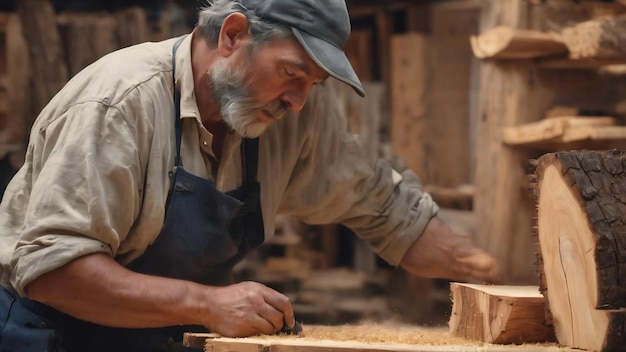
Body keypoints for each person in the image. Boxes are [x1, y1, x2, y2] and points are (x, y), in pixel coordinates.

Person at [0, 0, 499, 351]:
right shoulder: (119, 102)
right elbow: (53, 272)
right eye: (292, 73)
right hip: (52, 332)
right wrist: (207, 304)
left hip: (163, 335)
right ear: (233, 35)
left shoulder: (292, 116)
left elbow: (386, 207)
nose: (298, 100)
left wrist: (490, 269)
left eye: (314, 84)